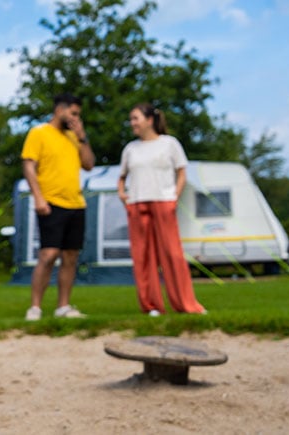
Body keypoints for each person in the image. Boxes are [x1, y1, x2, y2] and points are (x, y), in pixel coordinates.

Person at [117, 103, 206, 316]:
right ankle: (151, 305)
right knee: (143, 257)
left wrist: (175, 196)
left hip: (163, 202)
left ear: (149, 120)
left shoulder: (169, 144)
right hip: (137, 203)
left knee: (172, 254)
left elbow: (182, 172)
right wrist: (122, 194)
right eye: (131, 119)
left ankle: (186, 304)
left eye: (136, 118)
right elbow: (121, 178)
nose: (133, 123)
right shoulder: (130, 149)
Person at [19, 93, 96, 321]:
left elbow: (89, 165)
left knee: (71, 256)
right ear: (59, 110)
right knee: (48, 254)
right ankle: (35, 308)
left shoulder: (75, 137)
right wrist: (38, 198)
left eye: (78, 115)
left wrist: (82, 137)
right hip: (50, 202)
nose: (75, 119)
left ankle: (63, 306)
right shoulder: (39, 133)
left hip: (76, 202)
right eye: (73, 113)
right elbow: (29, 166)